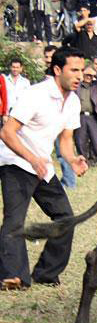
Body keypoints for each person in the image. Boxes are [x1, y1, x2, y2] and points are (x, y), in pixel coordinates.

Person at [0, 48, 88, 291]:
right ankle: (12, 276)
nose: (80, 75)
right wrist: (32, 158)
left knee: (66, 218)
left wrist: (72, 159)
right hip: (16, 162)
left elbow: (65, 139)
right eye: (74, 70)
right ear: (58, 70)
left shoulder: (73, 100)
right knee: (15, 219)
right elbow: (7, 132)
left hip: (42, 167)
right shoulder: (36, 95)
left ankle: (46, 273)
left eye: (81, 70)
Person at [74, 65, 97, 168]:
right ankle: (83, 164)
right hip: (80, 116)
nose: (88, 77)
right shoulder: (77, 85)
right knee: (80, 141)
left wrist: (95, 73)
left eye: (90, 75)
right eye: (87, 75)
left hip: (93, 117)